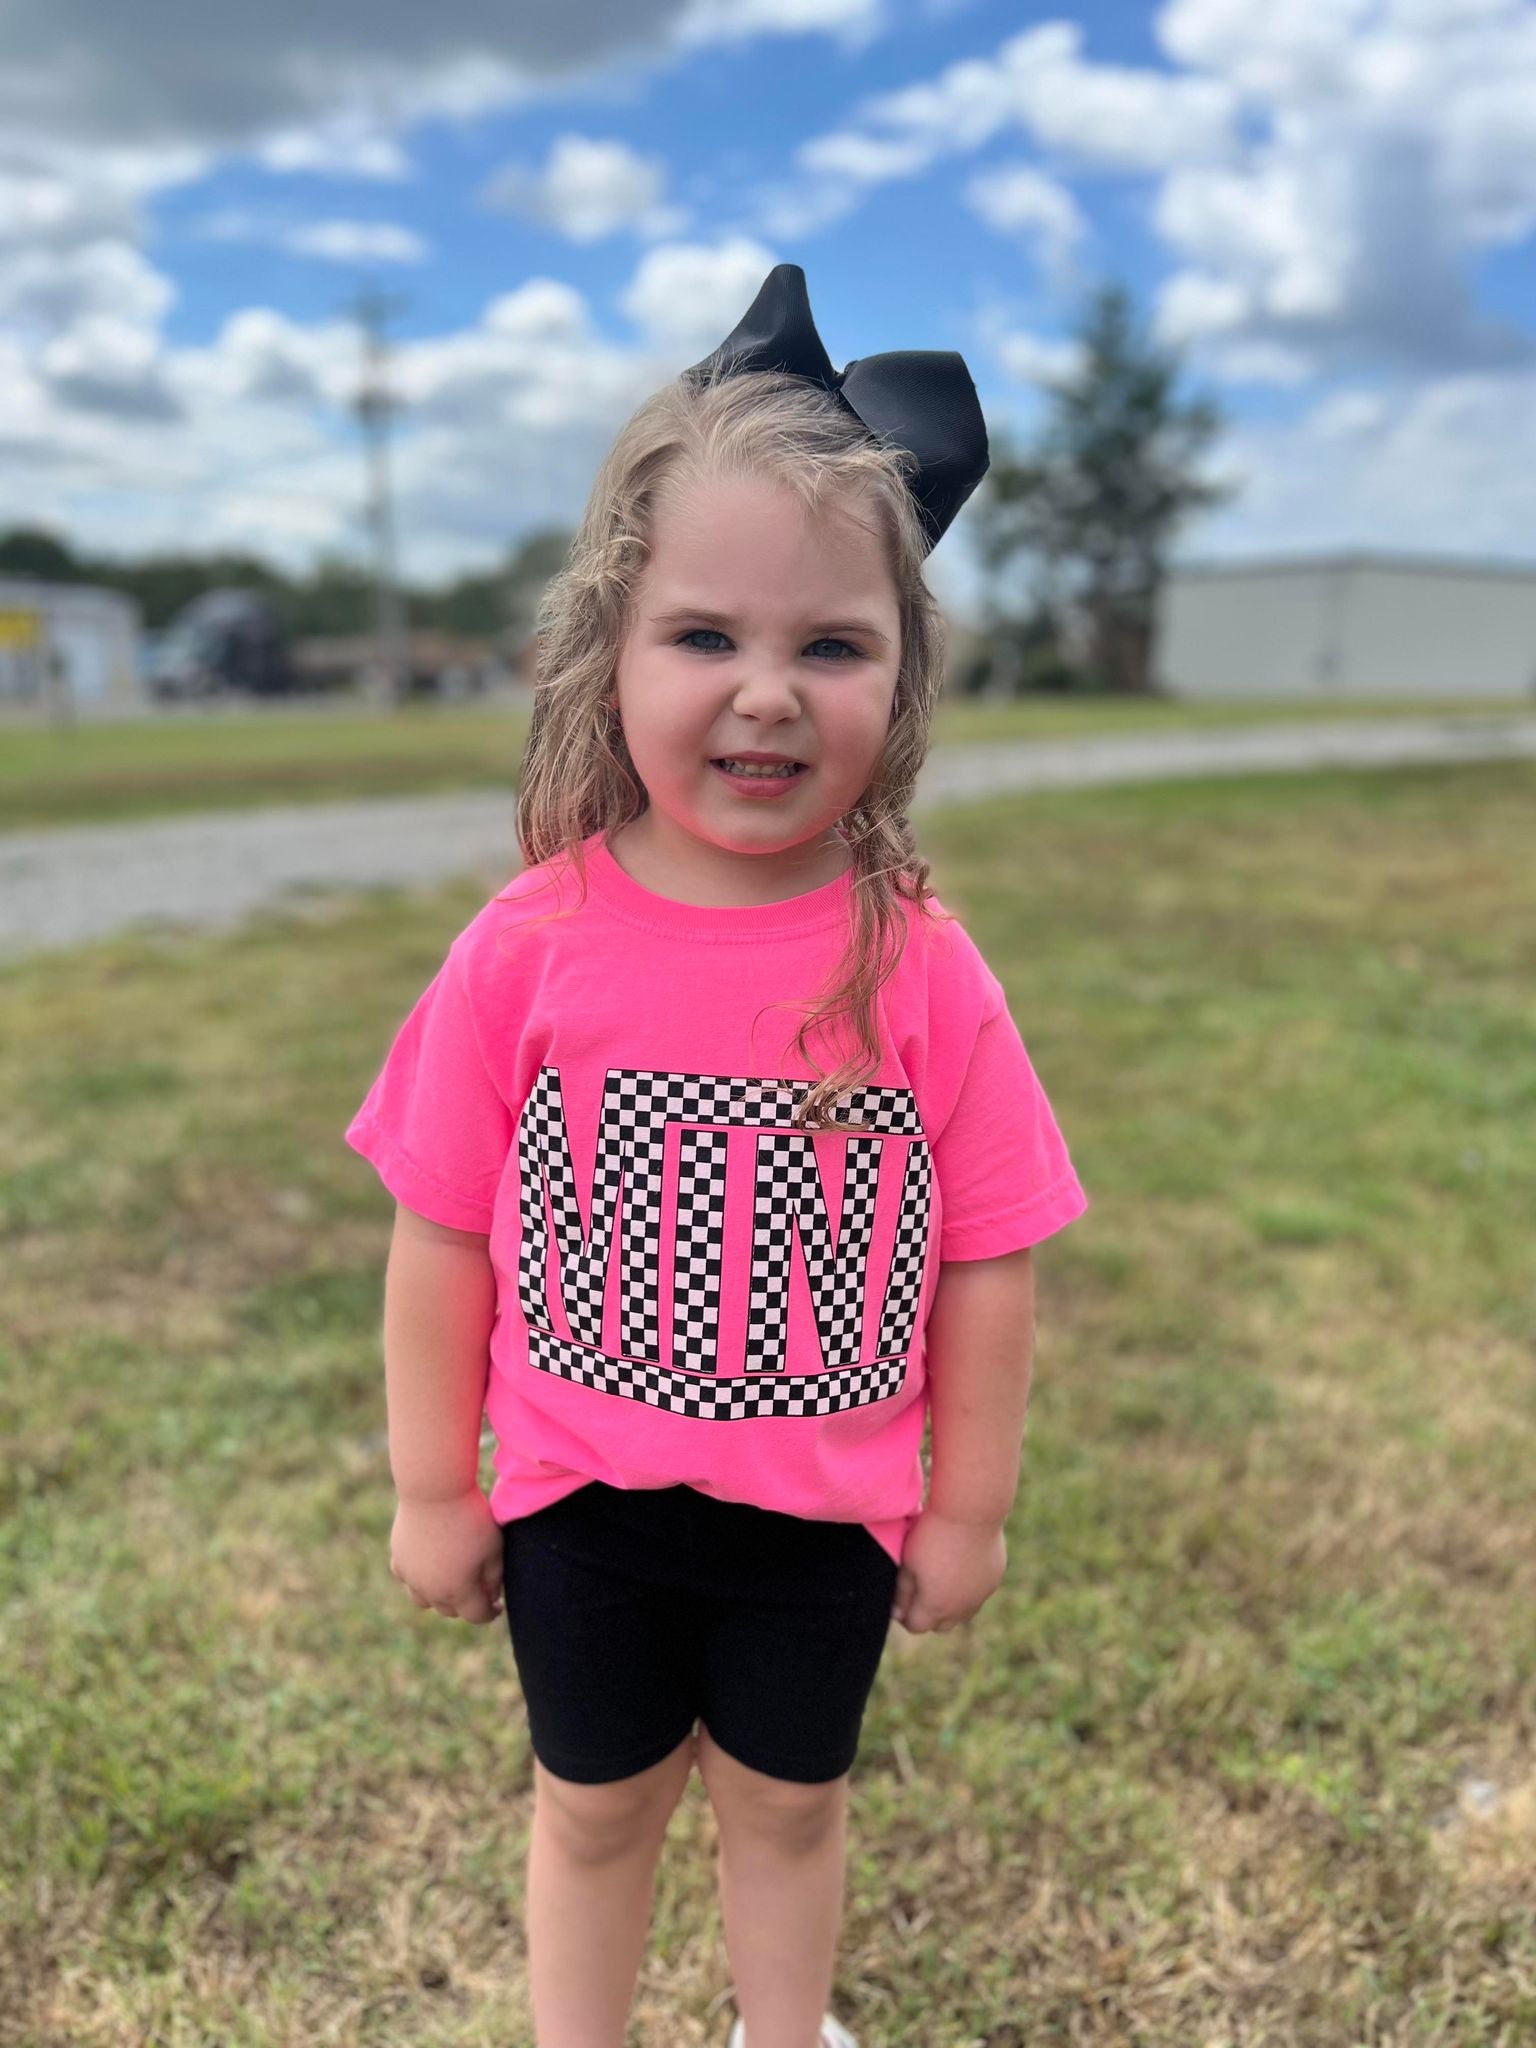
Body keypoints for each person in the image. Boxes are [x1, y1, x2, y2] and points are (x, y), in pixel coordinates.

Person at [343, 264, 1090, 2048]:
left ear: (903, 677)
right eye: (707, 637)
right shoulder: (528, 945)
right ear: (609, 646)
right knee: (595, 1809)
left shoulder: (919, 958)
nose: (767, 693)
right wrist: (434, 1485)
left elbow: (989, 1252)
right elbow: (442, 1230)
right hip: (584, 1509)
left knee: (792, 1806)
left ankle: (781, 2031)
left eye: (830, 644)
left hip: (822, 1520)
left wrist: (966, 1504)